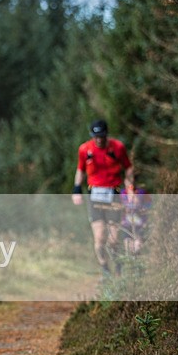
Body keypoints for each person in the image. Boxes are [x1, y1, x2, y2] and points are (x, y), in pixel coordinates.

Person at [72, 119, 134, 278]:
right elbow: (80, 170)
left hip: (113, 194)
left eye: (102, 136)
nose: (99, 139)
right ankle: (105, 268)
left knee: (113, 239)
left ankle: (118, 265)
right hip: (95, 197)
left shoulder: (118, 147)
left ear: (106, 134)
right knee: (99, 237)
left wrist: (130, 188)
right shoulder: (85, 149)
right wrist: (77, 189)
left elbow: (128, 167)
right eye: (96, 136)